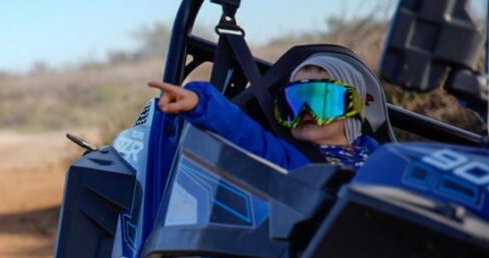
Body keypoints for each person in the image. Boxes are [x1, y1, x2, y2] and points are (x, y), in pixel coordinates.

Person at [149, 54, 380, 170]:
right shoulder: (292, 158)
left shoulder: (378, 154)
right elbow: (245, 134)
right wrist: (200, 102)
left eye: (321, 100)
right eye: (295, 102)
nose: (306, 112)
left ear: (351, 107)